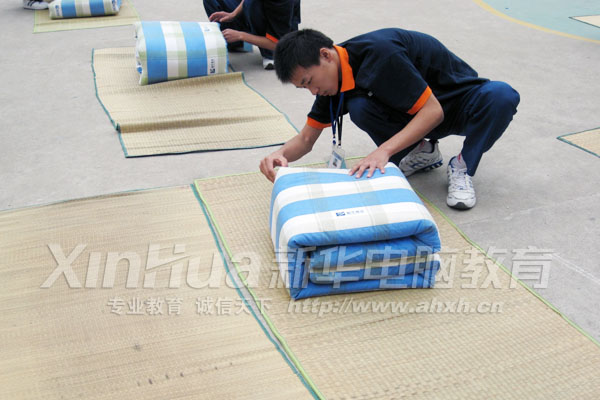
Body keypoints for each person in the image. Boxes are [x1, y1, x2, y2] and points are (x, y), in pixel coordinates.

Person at [259, 28, 520, 209]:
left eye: (309, 82)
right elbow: (306, 138)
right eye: (304, 88)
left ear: (326, 55)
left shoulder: (381, 54)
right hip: (415, 117)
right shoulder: (333, 80)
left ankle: (462, 167)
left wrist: (383, 151)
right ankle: (421, 151)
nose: (313, 92)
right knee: (360, 106)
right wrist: (280, 154)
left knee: (501, 96)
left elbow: (434, 111)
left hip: (456, 107)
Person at [203, 0, 300, 70]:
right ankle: (235, 42)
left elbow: (280, 43)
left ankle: (271, 54)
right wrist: (232, 14)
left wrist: (241, 35)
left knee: (252, 4)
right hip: (260, 10)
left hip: (279, 35)